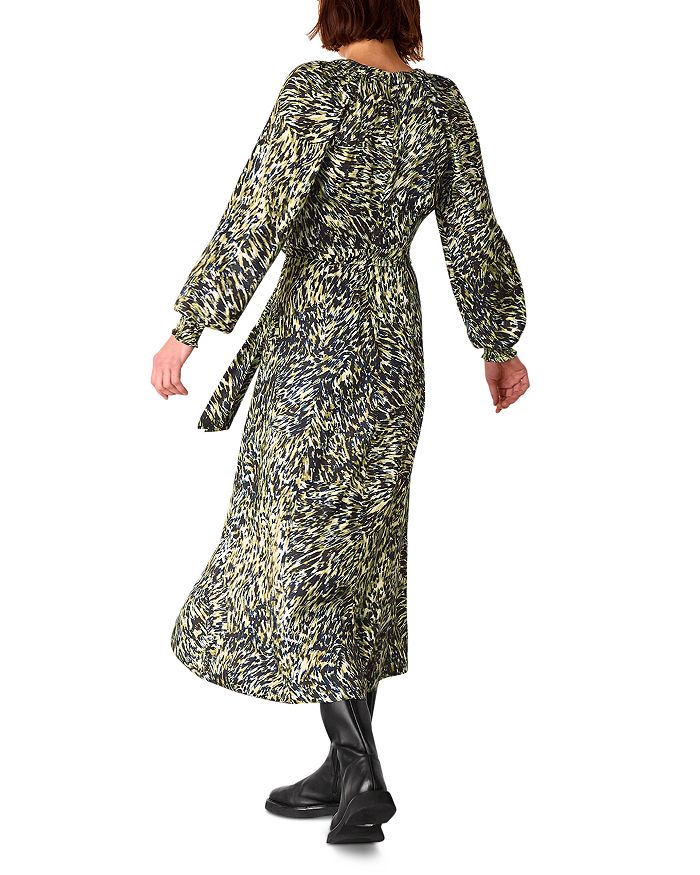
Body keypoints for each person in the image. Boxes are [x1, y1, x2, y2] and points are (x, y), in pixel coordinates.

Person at [151, 0, 529, 845]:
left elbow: (258, 211)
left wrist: (191, 324)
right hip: (394, 340)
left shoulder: (316, 90)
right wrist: (498, 343)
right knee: (360, 551)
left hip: (317, 337)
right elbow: (473, 233)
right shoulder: (442, 103)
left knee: (304, 545)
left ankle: (361, 769)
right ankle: (343, 763)